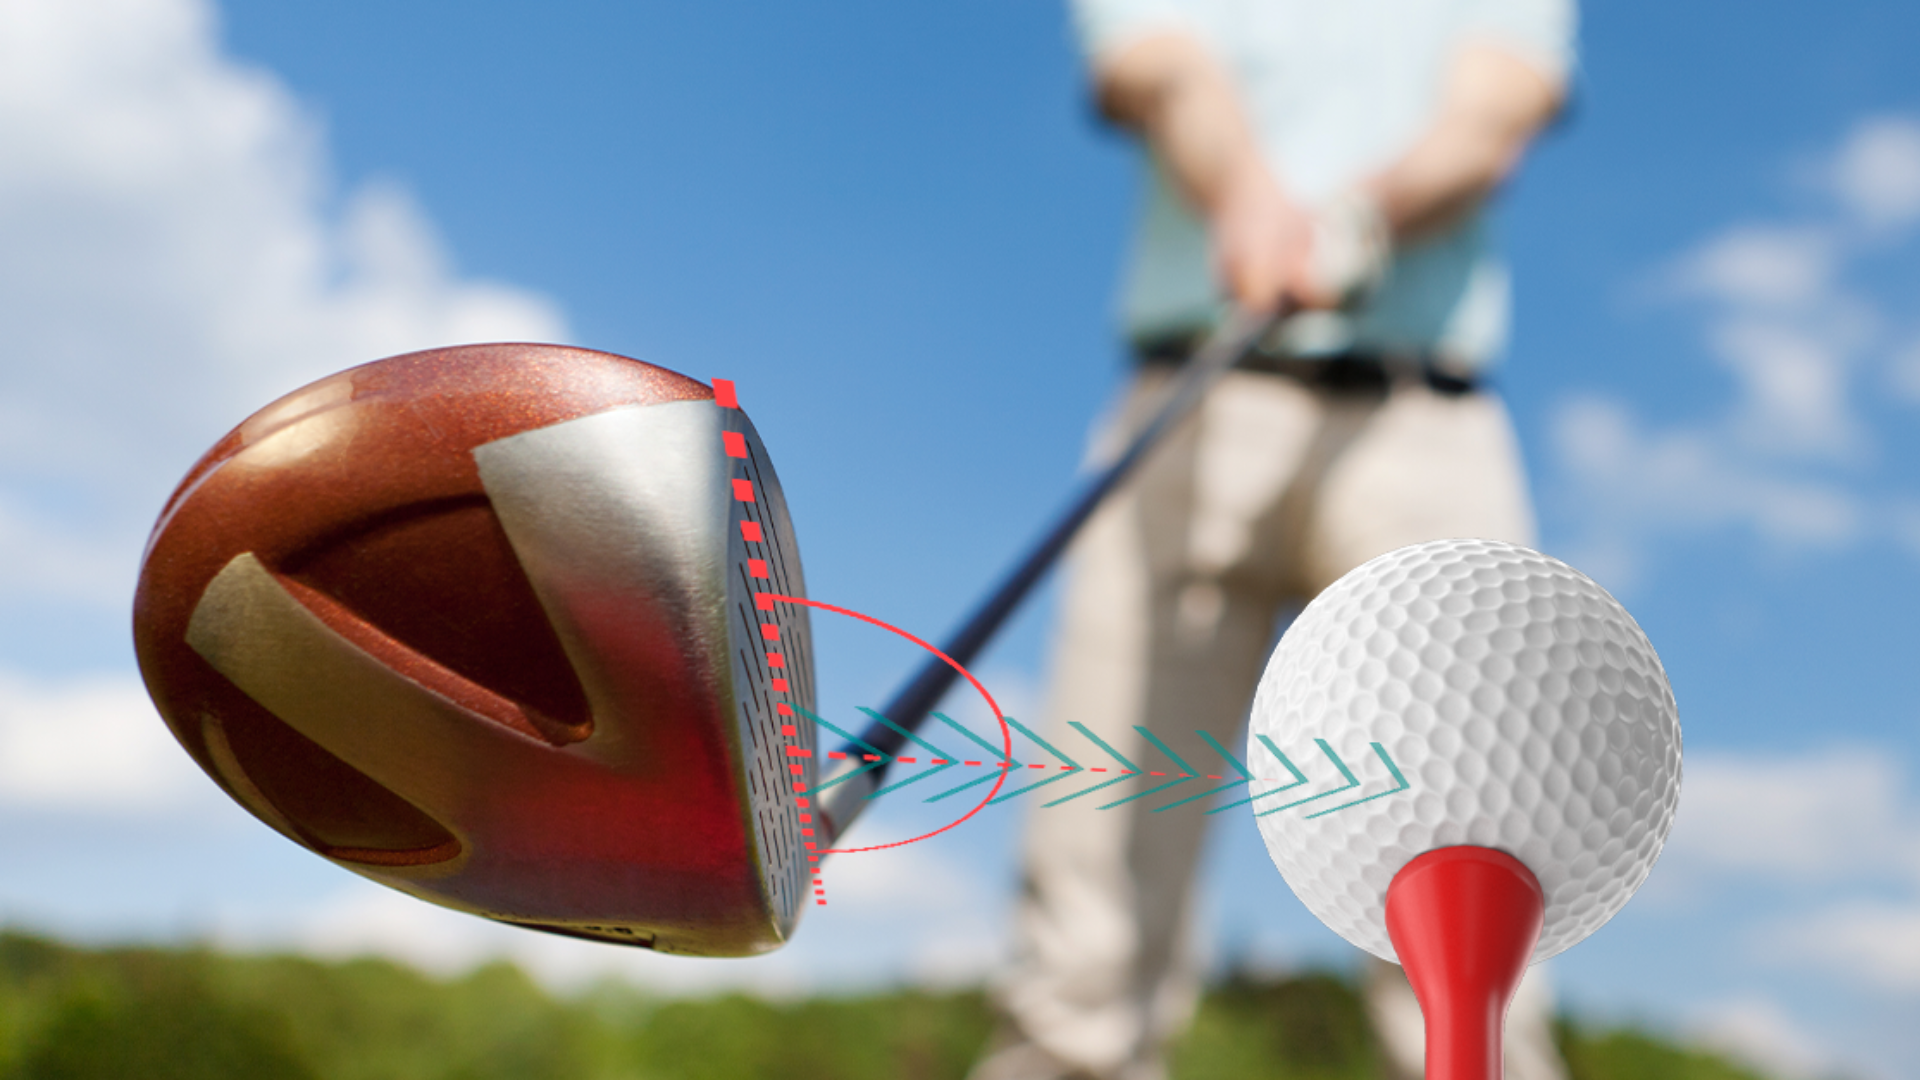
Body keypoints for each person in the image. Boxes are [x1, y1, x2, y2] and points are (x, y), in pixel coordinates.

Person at [967, 2, 1577, 1079]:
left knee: (1469, 867)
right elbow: (1164, 73)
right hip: (1194, 401)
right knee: (1098, 867)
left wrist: (1354, 219)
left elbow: (1496, 109)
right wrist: (1249, 198)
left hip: (1425, 423)